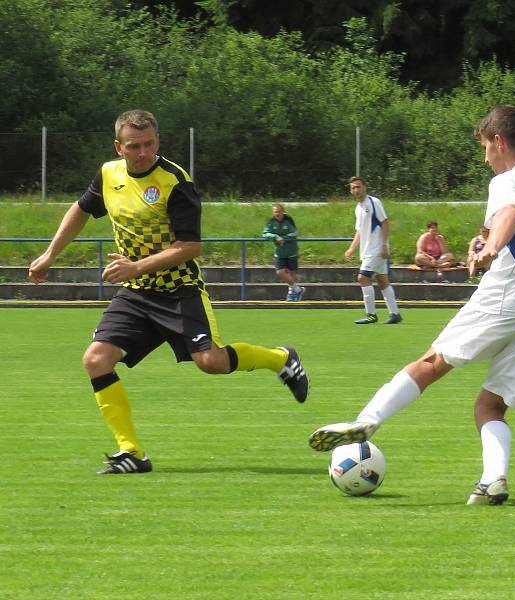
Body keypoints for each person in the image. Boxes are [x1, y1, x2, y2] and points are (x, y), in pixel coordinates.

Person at [309, 105, 515, 505]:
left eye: (486, 147)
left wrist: (489, 248)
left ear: (500, 142)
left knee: (433, 360)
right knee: (491, 404)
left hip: (512, 294)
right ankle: (494, 479)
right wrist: (488, 243)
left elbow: (509, 213)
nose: (485, 157)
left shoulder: (509, 179)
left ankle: (367, 422)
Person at [28, 109, 309, 475]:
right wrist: (49, 254)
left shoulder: (176, 181)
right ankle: (132, 453)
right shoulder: (108, 174)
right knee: (96, 360)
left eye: (148, 145)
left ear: (158, 142)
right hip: (136, 292)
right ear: (119, 147)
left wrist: (134, 267)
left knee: (211, 363)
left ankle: (281, 359)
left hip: (179, 288)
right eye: (134, 146)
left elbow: (190, 247)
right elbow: (81, 209)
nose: (142, 152)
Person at [345, 176, 402, 324]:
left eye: (358, 187)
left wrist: (384, 245)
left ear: (365, 187)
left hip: (376, 250)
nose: (356, 190)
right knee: (382, 281)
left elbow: (385, 222)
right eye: (353, 188)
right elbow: (359, 231)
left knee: (362, 278)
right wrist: (351, 248)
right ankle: (395, 314)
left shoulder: (374, 202)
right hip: (367, 251)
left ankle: (371, 314)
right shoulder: (358, 208)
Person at [262, 203, 305, 301]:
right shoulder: (271, 222)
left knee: (291, 274)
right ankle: (298, 289)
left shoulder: (288, 221)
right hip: (280, 252)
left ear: (283, 212)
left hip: (291, 251)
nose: (277, 214)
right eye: (275, 212)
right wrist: (275, 237)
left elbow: (294, 233)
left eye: (279, 212)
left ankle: (292, 295)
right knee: (280, 272)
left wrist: (283, 238)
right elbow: (265, 234)